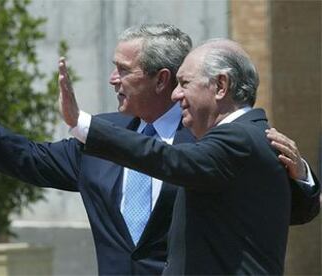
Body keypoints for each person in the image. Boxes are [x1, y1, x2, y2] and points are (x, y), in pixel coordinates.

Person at [0, 23, 318, 275]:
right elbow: (28, 157)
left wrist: (302, 177)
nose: (112, 80)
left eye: (124, 70)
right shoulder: (103, 140)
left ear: (162, 80)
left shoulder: (209, 142)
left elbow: (274, 209)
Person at [58, 38, 320, 275]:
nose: (175, 94)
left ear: (220, 85)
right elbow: (282, 213)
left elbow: (171, 159)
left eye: (185, 83)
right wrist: (303, 178)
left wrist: (83, 124)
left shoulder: (237, 139)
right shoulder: (257, 138)